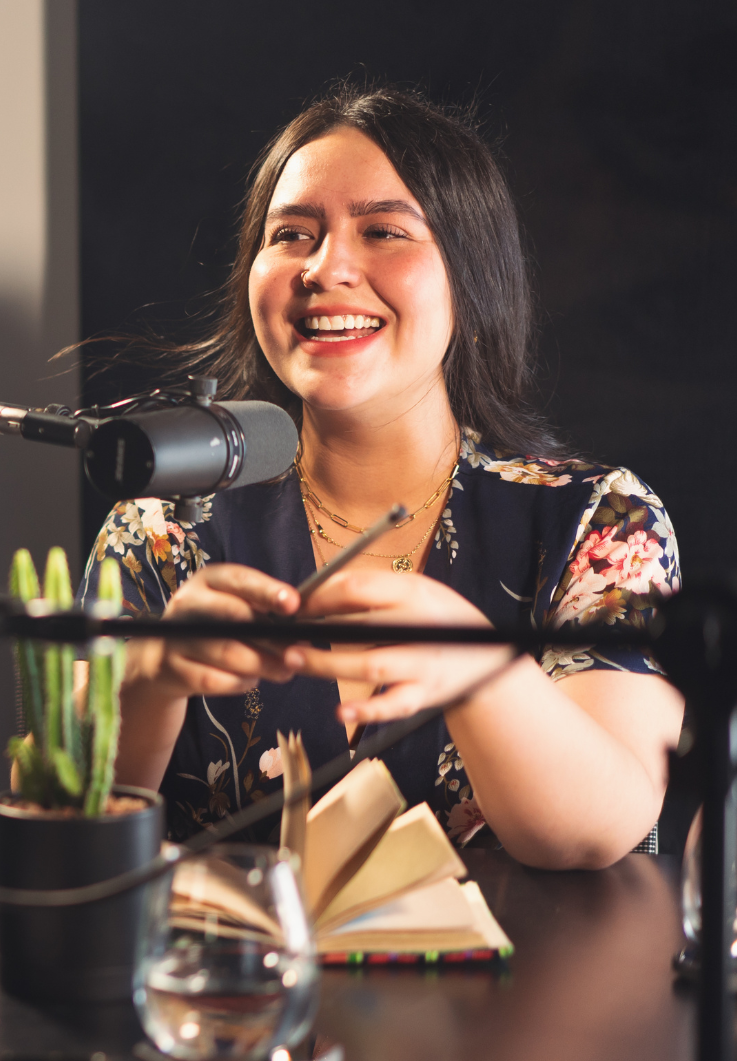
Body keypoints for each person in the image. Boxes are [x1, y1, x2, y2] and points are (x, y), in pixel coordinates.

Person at [81, 85, 682, 871]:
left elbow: (600, 827)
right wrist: (151, 683)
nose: (326, 268)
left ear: (469, 274)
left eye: (383, 231)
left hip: (523, 991)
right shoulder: (163, 530)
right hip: (234, 985)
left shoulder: (600, 522)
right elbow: (62, 833)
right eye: (292, 234)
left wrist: (477, 666)